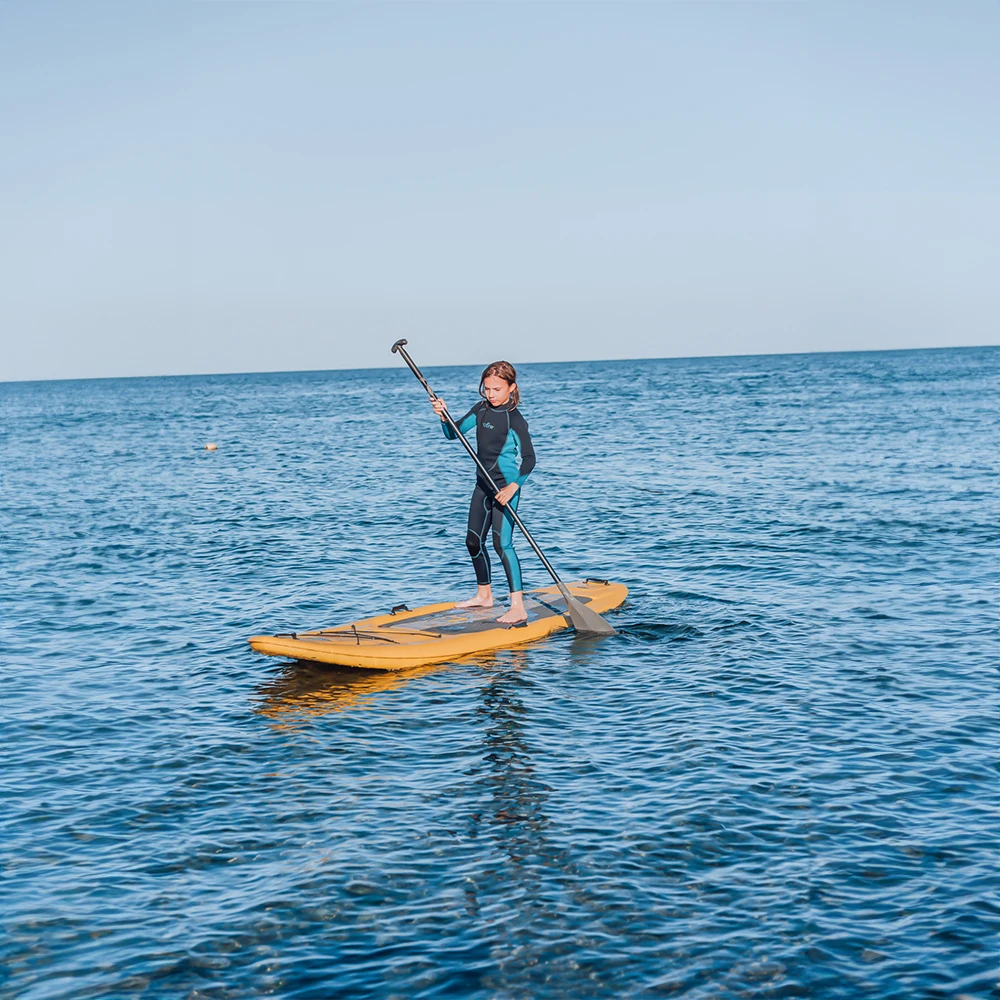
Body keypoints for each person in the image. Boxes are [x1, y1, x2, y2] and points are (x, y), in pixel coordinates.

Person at [432, 361, 535, 624]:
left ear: (511, 388)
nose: (491, 394)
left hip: (505, 489)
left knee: (503, 545)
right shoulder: (481, 409)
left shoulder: (515, 419)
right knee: (473, 541)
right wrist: (443, 415)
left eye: (497, 389)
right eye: (487, 388)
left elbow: (529, 459)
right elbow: (452, 434)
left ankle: (517, 606)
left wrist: (513, 488)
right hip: (482, 486)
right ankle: (484, 596)